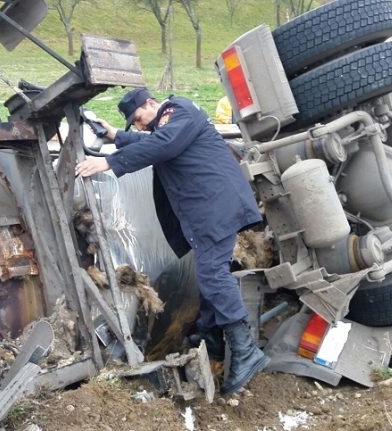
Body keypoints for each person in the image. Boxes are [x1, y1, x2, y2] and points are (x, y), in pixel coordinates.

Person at [75, 88, 269, 394]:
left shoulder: (179, 110)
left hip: (214, 208)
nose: (138, 126)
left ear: (151, 104)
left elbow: (163, 143)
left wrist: (110, 163)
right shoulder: (168, 125)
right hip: (208, 210)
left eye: (138, 118)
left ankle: (245, 351)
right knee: (210, 276)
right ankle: (212, 339)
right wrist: (115, 136)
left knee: (212, 274)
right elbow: (153, 140)